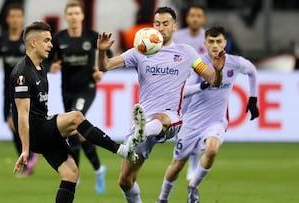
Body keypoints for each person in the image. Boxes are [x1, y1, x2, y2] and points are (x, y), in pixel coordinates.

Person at [96, 7, 226, 203]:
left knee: (161, 119)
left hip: (170, 118)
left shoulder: (187, 53)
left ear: (174, 26)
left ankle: (144, 130)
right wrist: (102, 51)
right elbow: (104, 66)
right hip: (144, 117)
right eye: (157, 24)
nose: (161, 28)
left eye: (166, 24)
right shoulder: (140, 51)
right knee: (125, 181)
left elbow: (213, 81)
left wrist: (218, 70)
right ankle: (142, 131)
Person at [10, 21, 145, 203]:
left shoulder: (40, 68)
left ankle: (111, 158)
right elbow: (23, 115)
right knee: (76, 117)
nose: (51, 45)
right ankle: (122, 150)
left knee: (71, 173)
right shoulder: (22, 73)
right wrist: (25, 150)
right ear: (33, 43)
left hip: (42, 130)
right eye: (47, 40)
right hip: (35, 131)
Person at [156, 25, 259, 203]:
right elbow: (183, 90)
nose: (215, 45)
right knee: (178, 165)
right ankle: (163, 198)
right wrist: (202, 85)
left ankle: (193, 186)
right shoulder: (199, 64)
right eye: (211, 41)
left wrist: (253, 98)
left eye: (218, 41)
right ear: (205, 43)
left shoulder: (234, 63)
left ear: (225, 43)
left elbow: (252, 71)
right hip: (191, 122)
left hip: (216, 121)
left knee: (212, 150)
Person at [46, 0, 107, 194]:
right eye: (70, 13)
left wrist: (100, 70)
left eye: (76, 13)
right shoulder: (59, 38)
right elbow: (46, 59)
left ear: (82, 16)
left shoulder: (91, 36)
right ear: (66, 17)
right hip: (67, 90)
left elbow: (107, 54)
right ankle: (98, 169)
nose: (73, 16)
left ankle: (75, 173)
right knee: (78, 132)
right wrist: (51, 67)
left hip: (87, 87)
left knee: (73, 125)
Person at [0, 3, 38, 177]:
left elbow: (39, 59)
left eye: (17, 16)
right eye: (11, 16)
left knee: (22, 122)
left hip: (26, 88)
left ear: (22, 19)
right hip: (8, 89)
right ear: (7, 19)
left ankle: (30, 154)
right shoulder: (1, 41)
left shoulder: (28, 40)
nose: (14, 19)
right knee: (11, 124)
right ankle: (27, 157)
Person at [172, 4, 207, 181]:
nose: (195, 19)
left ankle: (193, 161)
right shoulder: (178, 37)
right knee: (181, 124)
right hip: (182, 86)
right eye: (192, 15)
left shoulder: (207, 38)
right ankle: (182, 157)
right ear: (187, 19)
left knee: (198, 124)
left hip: (202, 87)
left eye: (198, 16)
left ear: (203, 19)